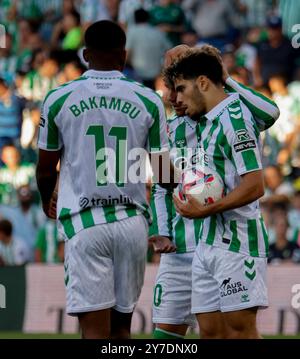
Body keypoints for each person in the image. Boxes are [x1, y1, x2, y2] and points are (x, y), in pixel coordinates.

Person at [36, 20, 171, 339]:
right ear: (124, 56)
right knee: (122, 328)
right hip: (132, 225)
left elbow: (45, 167)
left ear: (85, 54)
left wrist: (46, 198)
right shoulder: (148, 99)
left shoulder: (59, 97)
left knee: (94, 332)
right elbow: (164, 172)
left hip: (86, 224)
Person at [150, 44, 280, 339]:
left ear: (202, 81)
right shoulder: (165, 131)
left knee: (235, 331)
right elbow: (161, 184)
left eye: (180, 87)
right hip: (183, 248)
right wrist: (161, 229)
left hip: (229, 239)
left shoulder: (227, 114)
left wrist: (226, 77)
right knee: (172, 334)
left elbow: (271, 114)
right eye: (170, 87)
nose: (174, 98)